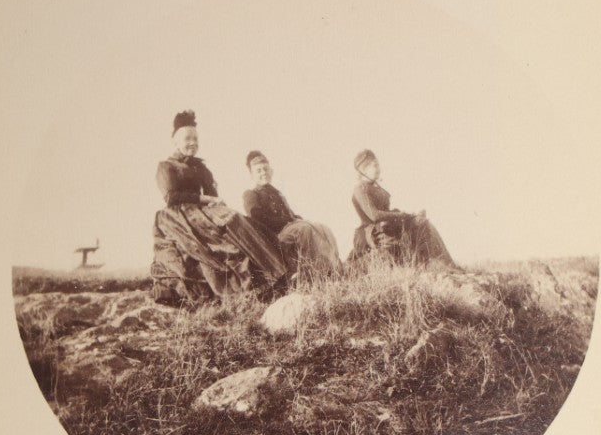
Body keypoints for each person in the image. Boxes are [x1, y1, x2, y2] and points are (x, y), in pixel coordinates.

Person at [150, 111, 287, 304]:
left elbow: (211, 193)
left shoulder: (200, 167)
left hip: (203, 211)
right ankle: (252, 283)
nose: (192, 142)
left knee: (237, 220)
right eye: (187, 138)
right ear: (175, 142)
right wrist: (204, 199)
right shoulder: (166, 166)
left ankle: (275, 274)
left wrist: (215, 200)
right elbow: (171, 197)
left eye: (195, 138)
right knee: (225, 231)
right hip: (178, 215)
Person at [242, 150, 341, 282]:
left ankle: (333, 269)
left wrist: (295, 218)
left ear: (270, 171)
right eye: (258, 171)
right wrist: (285, 221)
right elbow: (257, 217)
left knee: (321, 228)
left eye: (265, 169)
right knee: (304, 230)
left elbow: (289, 214)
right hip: (274, 235)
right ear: (251, 175)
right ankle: (311, 275)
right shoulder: (251, 194)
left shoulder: (276, 192)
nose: (263, 173)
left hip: (288, 228)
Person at [350, 149, 456, 268]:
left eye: (378, 165)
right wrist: (400, 215)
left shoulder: (376, 187)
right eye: (375, 165)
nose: (379, 168)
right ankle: (422, 263)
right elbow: (374, 216)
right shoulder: (360, 189)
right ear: (364, 169)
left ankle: (443, 264)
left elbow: (385, 212)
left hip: (387, 227)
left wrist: (407, 215)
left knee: (423, 223)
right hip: (374, 234)